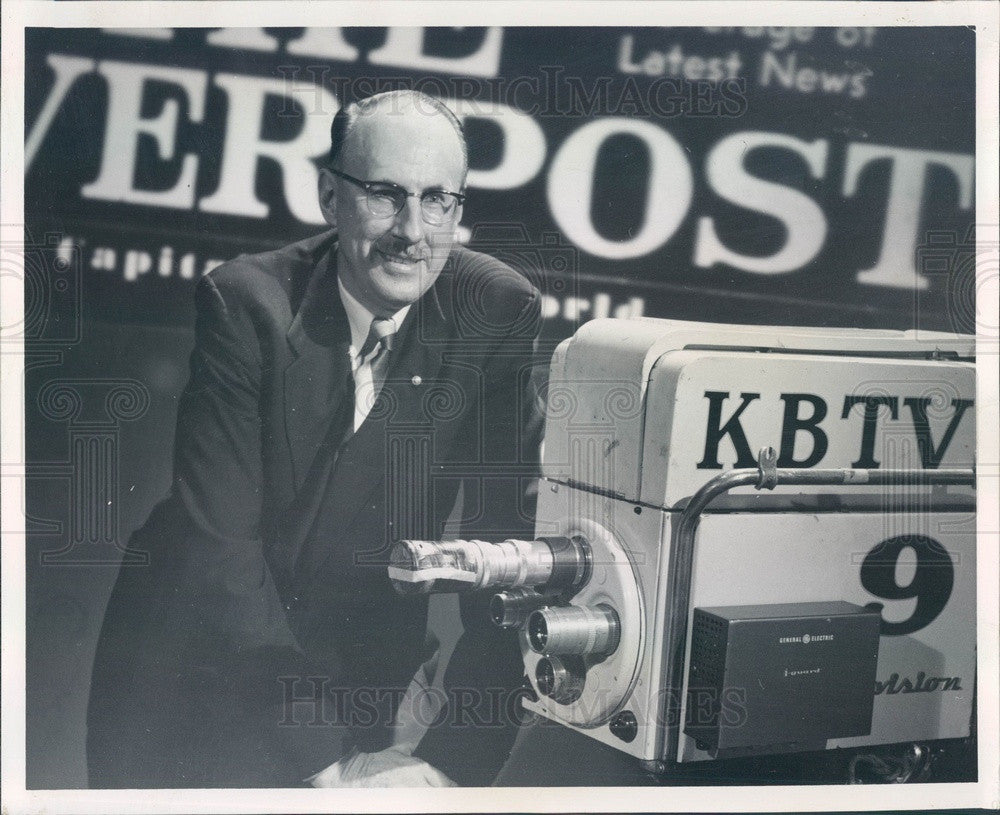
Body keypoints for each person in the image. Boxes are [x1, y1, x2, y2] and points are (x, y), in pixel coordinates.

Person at [87, 90, 543, 789]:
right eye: (386, 195)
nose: (412, 230)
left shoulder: (496, 310)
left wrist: (453, 764)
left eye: (437, 200)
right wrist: (328, 763)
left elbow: (512, 550)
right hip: (193, 663)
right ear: (331, 194)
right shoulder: (245, 304)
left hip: (365, 674)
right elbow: (224, 552)